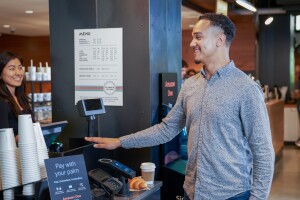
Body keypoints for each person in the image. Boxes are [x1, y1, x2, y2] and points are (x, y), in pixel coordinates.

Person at [85, 13, 275, 199]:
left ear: (220, 39)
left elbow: (263, 152)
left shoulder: (246, 89)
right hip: (191, 192)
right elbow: (166, 129)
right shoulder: (191, 85)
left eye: (198, 37)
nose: (192, 43)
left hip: (231, 195)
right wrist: (120, 141)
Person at [0, 51, 33, 141]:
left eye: (20, 68)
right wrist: (21, 137)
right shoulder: (1, 102)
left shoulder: (22, 98)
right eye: (12, 69)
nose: (18, 73)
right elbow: (3, 139)